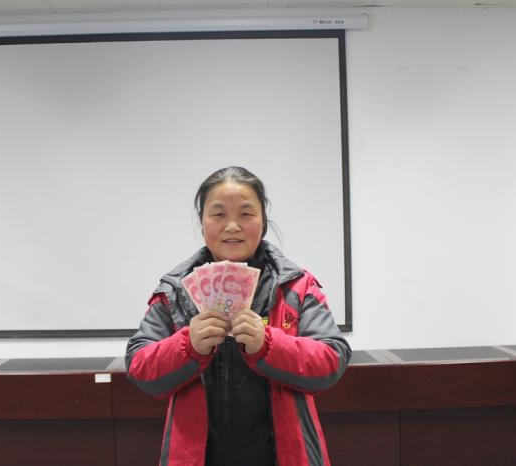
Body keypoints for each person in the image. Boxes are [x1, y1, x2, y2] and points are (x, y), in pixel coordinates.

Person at [125, 166, 351, 466]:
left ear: (263, 220)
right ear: (202, 222)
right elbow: (139, 366)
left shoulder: (296, 285)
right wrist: (188, 345)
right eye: (218, 214)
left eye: (246, 214)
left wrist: (268, 345)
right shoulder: (176, 289)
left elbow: (332, 360)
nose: (232, 226)